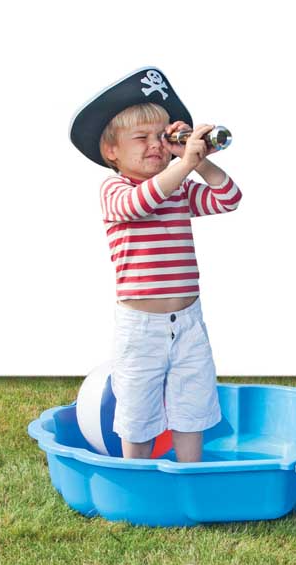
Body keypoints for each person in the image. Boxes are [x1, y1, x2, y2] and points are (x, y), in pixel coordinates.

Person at [69, 67, 241, 462]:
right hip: (141, 328)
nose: (155, 146)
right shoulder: (115, 189)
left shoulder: (179, 189)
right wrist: (183, 166)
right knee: (138, 411)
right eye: (141, 138)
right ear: (111, 151)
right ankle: (137, 477)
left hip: (188, 323)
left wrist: (198, 161)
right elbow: (140, 203)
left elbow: (228, 198)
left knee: (192, 407)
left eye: (162, 137)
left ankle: (190, 475)